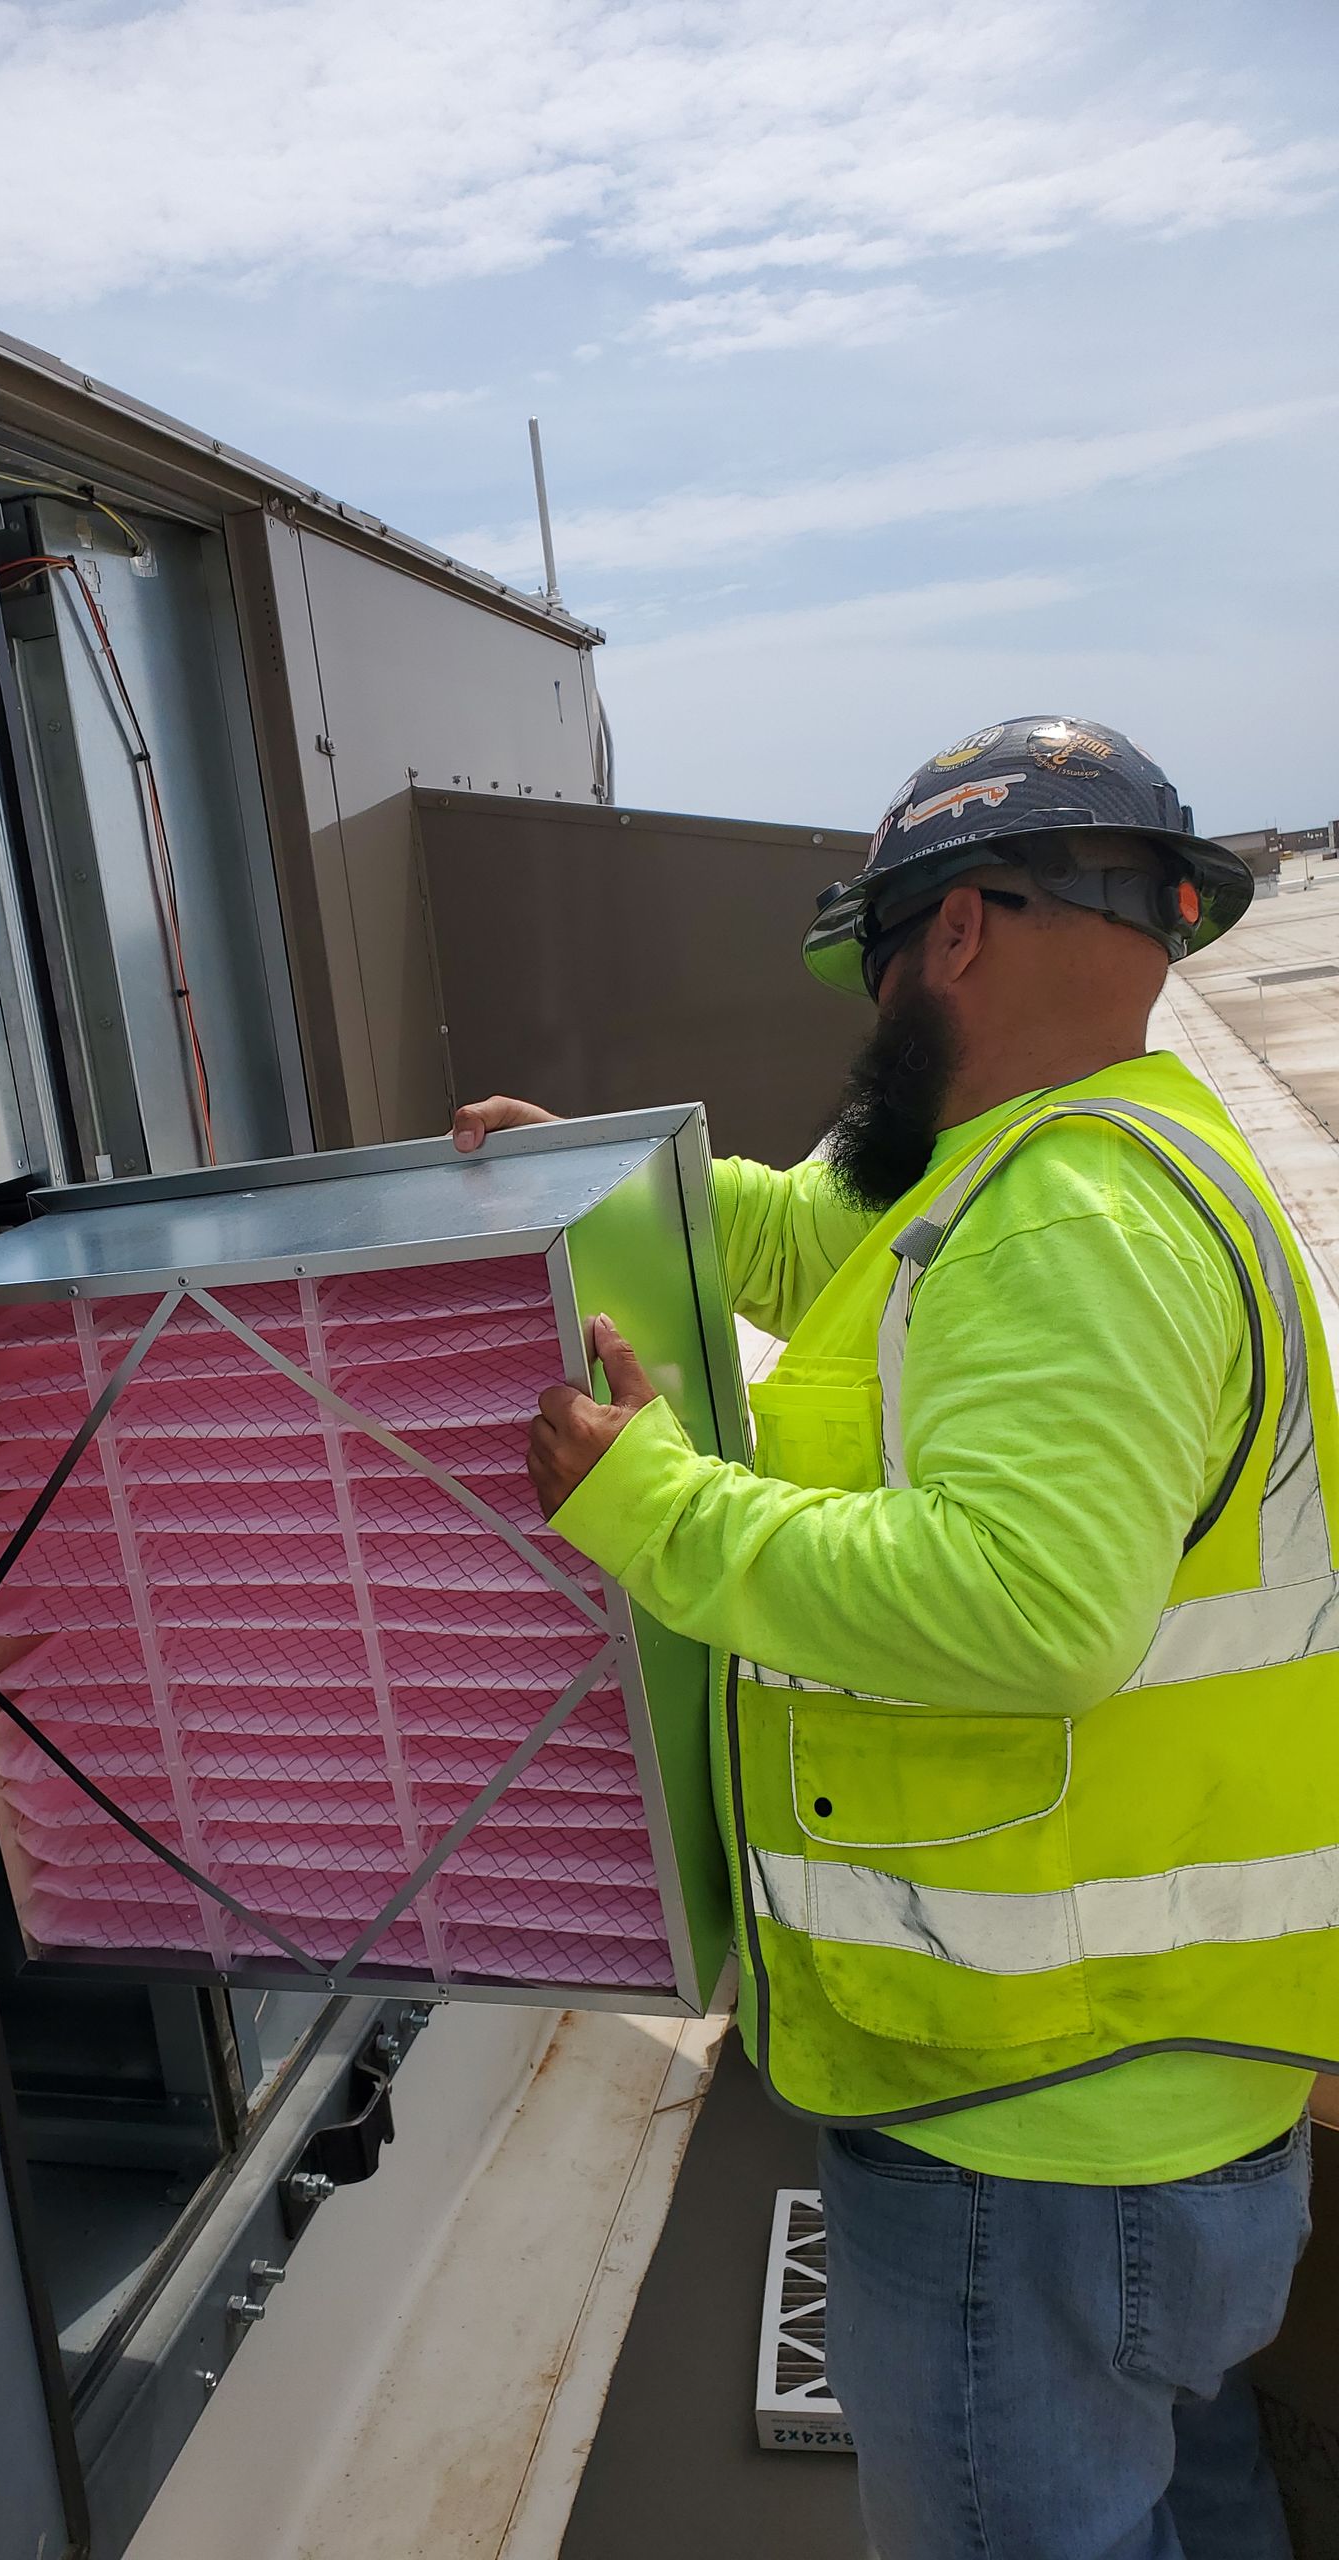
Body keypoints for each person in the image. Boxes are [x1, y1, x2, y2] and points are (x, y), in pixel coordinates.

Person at [453, 715, 1337, 2560]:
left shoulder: (1066, 1224)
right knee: (1190, 2494)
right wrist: (621, 1187)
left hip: (1035, 2121)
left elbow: (1034, 1605)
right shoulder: (1064, 1165)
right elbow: (831, 1246)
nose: (873, 1008)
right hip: (1147, 2087)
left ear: (954, 935)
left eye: (879, 956)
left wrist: (654, 1508)